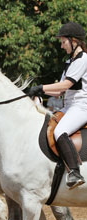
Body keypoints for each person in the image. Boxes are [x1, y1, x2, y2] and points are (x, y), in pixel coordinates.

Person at [29, 21, 87, 189]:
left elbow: (65, 85)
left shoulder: (83, 59)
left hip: (82, 106)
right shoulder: (71, 61)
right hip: (69, 106)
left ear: (74, 41)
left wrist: (41, 88)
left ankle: (74, 172)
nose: (62, 46)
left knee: (60, 131)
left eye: (63, 41)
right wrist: (38, 92)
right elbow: (59, 92)